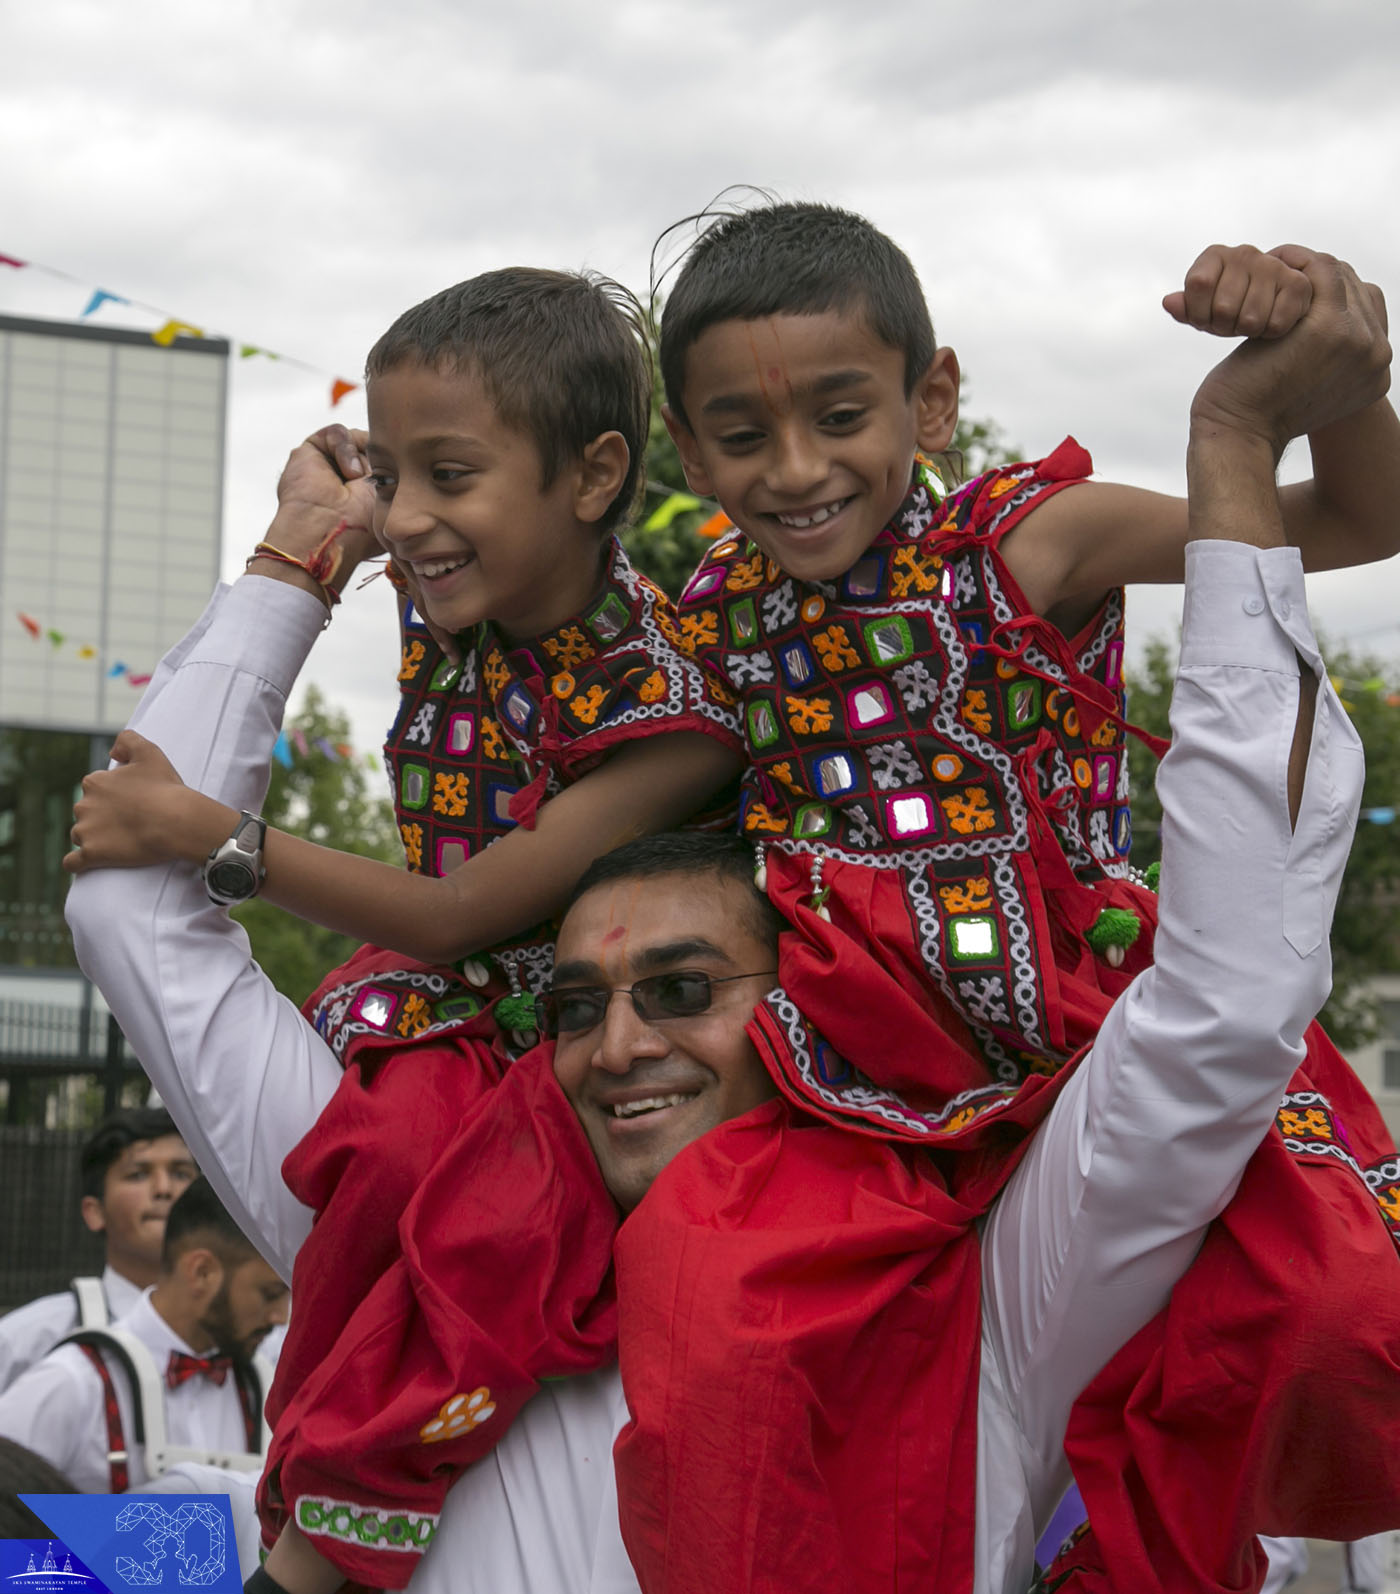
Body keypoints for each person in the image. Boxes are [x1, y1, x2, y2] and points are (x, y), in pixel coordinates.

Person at [66, 340, 1365, 1594]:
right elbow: (131, 904)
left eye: (685, 991)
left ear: (807, 1007)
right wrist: (296, 562)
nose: (621, 1042)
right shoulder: (405, 1236)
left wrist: (1236, 450)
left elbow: (1222, 1000)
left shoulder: (984, 1295)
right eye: (573, 1006)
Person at [65, 267, 743, 1575]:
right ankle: (321, 1512)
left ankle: (324, 1525)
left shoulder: (669, 705)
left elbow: (449, 916)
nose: (413, 515)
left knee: (483, 1230)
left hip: (514, 1041)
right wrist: (301, 555)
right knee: (384, 1173)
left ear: (596, 475)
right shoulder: (461, 606)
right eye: (396, 471)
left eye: (451, 474)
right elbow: (122, 885)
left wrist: (215, 835)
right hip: (458, 1035)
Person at [0, 1177, 287, 1493]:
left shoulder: (268, 1387)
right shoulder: (71, 1382)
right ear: (201, 1272)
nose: (281, 1316)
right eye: (270, 1293)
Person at [0, 1107, 198, 1393]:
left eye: (180, 1173)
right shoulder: (28, 1341)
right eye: (138, 1175)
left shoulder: (260, 1344)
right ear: (94, 1212)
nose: (164, 1188)